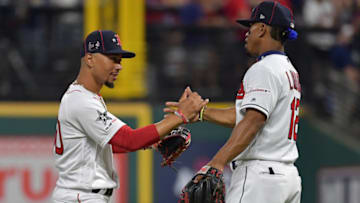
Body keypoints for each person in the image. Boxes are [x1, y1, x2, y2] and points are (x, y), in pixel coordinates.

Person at [166, 1, 302, 202]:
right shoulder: (288, 69)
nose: (246, 32)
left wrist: (217, 163)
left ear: (263, 29)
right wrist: (201, 112)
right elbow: (244, 115)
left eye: (251, 26)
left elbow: (253, 121)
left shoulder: (263, 69)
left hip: (260, 176)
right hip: (287, 177)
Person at [51, 30, 208, 203]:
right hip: (80, 196)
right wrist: (180, 116)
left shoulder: (84, 96)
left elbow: (106, 145)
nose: (119, 66)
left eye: (119, 60)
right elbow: (129, 140)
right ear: (90, 59)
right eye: (113, 59)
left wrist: (151, 141)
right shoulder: (82, 101)